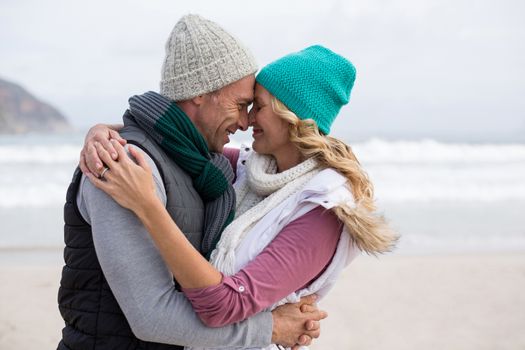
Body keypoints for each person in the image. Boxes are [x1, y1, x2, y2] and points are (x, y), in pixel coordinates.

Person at [83, 45, 398, 349]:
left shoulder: (323, 210)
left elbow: (225, 304)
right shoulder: (250, 168)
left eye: (258, 107)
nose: (248, 120)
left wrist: (147, 205)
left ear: (292, 117)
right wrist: (105, 133)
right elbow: (182, 140)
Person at [58, 14, 325, 350]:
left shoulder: (201, 163)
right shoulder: (123, 168)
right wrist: (270, 328)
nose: (245, 121)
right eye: (241, 104)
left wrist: (103, 128)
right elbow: (152, 317)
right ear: (200, 93)